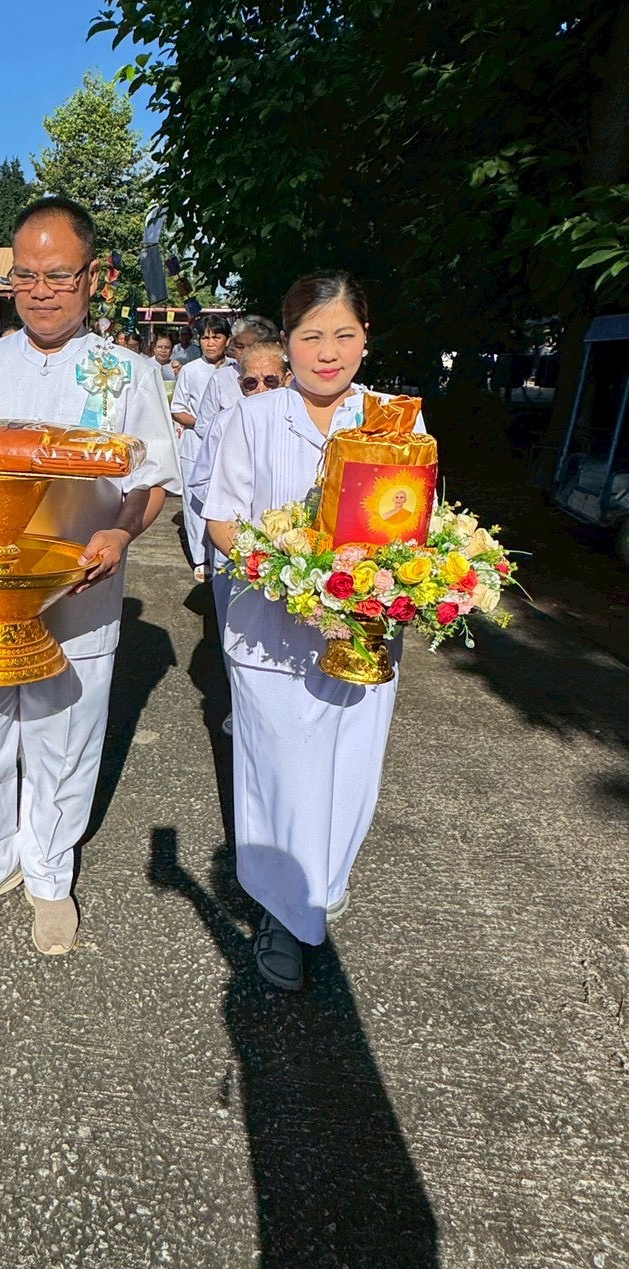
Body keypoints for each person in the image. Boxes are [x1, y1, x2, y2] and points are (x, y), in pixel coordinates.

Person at [0, 198, 180, 956]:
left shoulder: (130, 373)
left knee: (65, 735)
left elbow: (151, 478)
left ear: (93, 276)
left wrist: (121, 530)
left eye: (59, 274)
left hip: (80, 590)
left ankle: (50, 872)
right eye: (26, 274)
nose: (41, 289)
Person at [203, 269, 423, 991]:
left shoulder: (397, 418)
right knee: (280, 774)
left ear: (366, 337)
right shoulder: (256, 415)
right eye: (310, 336)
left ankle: (322, 886)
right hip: (272, 628)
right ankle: (279, 909)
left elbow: (416, 523)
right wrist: (286, 577)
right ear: (287, 341)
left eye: (344, 335)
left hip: (362, 633)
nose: (327, 352)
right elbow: (222, 519)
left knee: (349, 770)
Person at [188, 338, 290, 737]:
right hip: (238, 549)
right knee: (241, 636)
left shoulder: (303, 418)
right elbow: (200, 483)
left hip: (297, 549)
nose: (261, 390)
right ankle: (242, 706)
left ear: (286, 377)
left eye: (270, 380)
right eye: (251, 383)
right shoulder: (225, 420)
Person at [171, 314, 232, 579]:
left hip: (230, 446)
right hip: (196, 444)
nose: (210, 343)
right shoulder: (190, 370)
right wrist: (205, 425)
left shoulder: (237, 370)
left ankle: (223, 553)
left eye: (215, 337)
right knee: (195, 503)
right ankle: (200, 559)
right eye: (205, 337)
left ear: (226, 340)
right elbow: (178, 409)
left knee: (224, 501)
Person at [193, 316, 282, 441]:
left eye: (253, 347)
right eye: (240, 346)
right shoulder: (221, 378)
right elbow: (203, 426)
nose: (245, 352)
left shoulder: (280, 375)